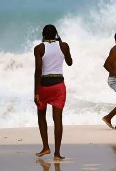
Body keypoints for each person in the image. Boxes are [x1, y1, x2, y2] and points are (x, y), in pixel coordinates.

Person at [34, 24, 72, 160]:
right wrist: (61, 42)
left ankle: (45, 147)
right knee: (58, 120)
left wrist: (36, 92)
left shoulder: (39, 48)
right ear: (56, 34)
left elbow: (38, 71)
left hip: (44, 86)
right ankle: (57, 153)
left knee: (41, 116)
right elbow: (70, 62)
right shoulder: (64, 46)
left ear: (43, 35)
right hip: (58, 87)